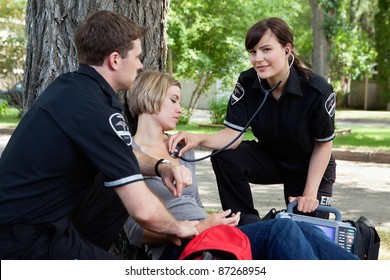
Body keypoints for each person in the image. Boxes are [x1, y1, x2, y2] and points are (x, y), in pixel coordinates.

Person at [0, 10, 199, 260]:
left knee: (119, 174)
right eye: (137, 57)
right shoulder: (95, 109)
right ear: (115, 60)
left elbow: (122, 155)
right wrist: (181, 227)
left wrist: (160, 167)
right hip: (23, 239)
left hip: (40, 223)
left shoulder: (74, 88)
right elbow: (143, 210)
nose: (140, 65)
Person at [122, 70, 358, 260]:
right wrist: (198, 227)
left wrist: (218, 223)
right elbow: (135, 232)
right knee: (281, 230)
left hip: (216, 235)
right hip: (182, 248)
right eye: (173, 100)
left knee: (301, 229)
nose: (180, 109)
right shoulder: (127, 154)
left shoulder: (180, 148)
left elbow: (194, 204)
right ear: (149, 96)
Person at [169, 17, 337, 225]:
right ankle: (247, 222)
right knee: (225, 156)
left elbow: (323, 144)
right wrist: (197, 138)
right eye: (253, 52)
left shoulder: (317, 90)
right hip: (272, 158)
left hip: (309, 166)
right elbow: (232, 136)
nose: (258, 58)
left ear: (287, 49)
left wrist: (310, 193)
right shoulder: (247, 82)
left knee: (306, 231)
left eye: (266, 50)